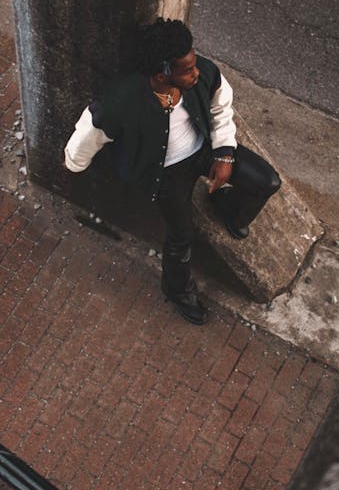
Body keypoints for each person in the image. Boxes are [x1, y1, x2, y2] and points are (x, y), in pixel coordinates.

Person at [64, 17, 281, 325]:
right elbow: (90, 131)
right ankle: (177, 290)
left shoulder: (202, 73)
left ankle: (228, 205)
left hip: (204, 150)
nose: (196, 72)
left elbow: (221, 104)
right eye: (187, 69)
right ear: (163, 71)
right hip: (166, 175)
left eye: (194, 64)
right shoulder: (122, 99)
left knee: (267, 181)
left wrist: (224, 153)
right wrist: (74, 164)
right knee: (181, 236)